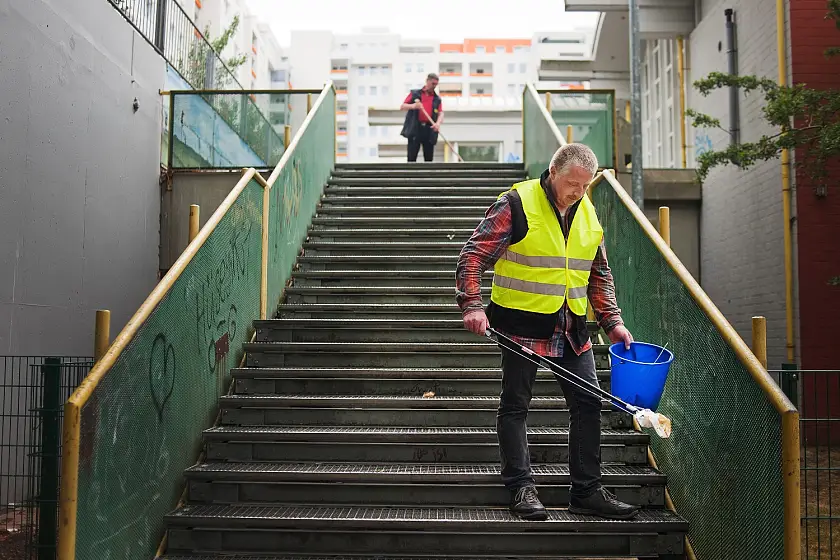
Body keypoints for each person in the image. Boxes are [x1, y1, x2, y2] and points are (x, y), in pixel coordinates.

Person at [455, 143, 640, 521]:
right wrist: (472, 306)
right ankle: (522, 488)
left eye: (585, 186)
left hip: (571, 326)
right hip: (519, 325)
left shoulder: (587, 213)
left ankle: (586, 492)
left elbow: (598, 273)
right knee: (516, 406)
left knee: (589, 403)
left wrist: (613, 322)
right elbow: (473, 255)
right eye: (572, 183)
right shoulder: (516, 204)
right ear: (553, 171)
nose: (578, 192)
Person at [400, 73, 444, 162]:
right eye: (433, 84)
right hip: (415, 128)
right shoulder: (415, 94)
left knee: (428, 158)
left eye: (436, 84)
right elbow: (402, 106)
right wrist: (414, 106)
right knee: (412, 156)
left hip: (428, 129)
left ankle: (428, 175)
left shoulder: (437, 99)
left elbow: (440, 113)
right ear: (427, 81)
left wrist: (438, 123)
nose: (434, 86)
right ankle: (410, 175)